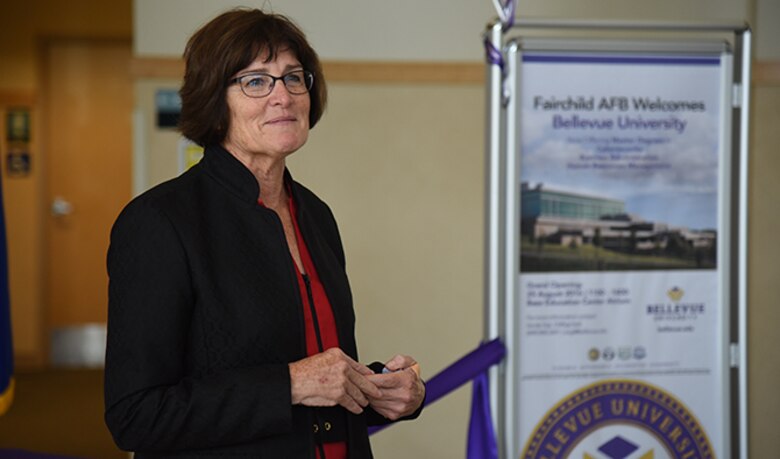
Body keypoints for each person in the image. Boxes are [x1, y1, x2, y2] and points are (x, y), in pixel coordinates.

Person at [104, 8, 425, 458]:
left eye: (294, 77)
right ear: (214, 100)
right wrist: (291, 383)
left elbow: (315, 384)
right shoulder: (158, 222)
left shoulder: (315, 214)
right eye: (256, 81)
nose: (284, 96)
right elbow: (135, 416)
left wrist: (383, 393)